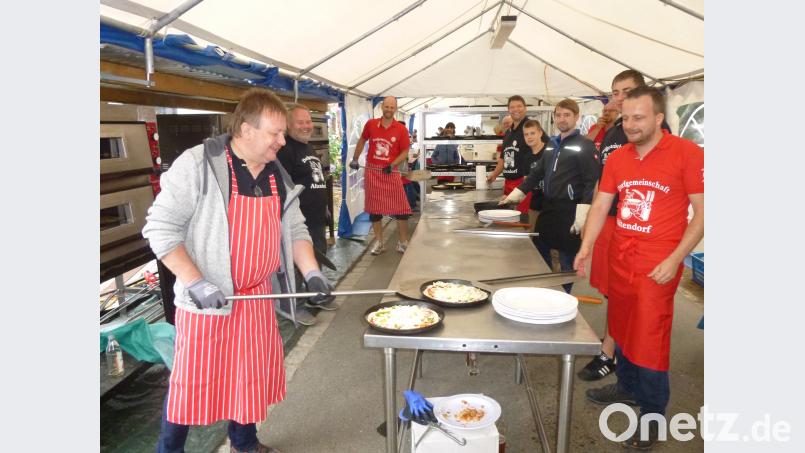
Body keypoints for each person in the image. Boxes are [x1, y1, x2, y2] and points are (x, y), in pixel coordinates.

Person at [143, 88, 335, 453]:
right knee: (191, 384)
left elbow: (294, 229)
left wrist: (312, 272)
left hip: (257, 296)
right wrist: (195, 281)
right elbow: (160, 228)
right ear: (245, 130)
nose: (283, 140)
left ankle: (244, 444)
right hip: (208, 301)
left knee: (249, 376)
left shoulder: (276, 172)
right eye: (274, 133)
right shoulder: (198, 164)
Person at [574, 86, 704, 450]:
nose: (630, 124)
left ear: (659, 118)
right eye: (626, 117)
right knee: (620, 323)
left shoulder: (687, 154)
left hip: (657, 262)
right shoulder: (619, 158)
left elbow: (703, 214)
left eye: (639, 117)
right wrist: (586, 246)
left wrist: (676, 258)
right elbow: (601, 205)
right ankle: (627, 386)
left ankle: (652, 413)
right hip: (621, 256)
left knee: (649, 334)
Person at [578, 70, 674, 382]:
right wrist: (587, 217)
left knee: (640, 309)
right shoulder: (614, 132)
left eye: (626, 91)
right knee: (614, 295)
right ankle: (614, 355)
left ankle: (612, 355)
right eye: (615, 92)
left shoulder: (649, 134)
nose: (619, 98)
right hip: (610, 223)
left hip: (641, 231)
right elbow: (603, 185)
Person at [501, 99, 599, 292]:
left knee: (566, 260)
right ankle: (544, 290)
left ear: (577, 117)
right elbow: (536, 173)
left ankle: (564, 295)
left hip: (571, 212)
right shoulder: (551, 145)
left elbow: (592, 182)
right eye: (559, 115)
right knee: (539, 250)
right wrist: (516, 194)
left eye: (567, 115)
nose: (562, 119)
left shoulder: (585, 145)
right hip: (549, 209)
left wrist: (584, 214)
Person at [277, 104, 336, 319]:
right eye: (300, 122)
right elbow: (284, 188)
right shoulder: (284, 150)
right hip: (298, 221)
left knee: (316, 258)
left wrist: (326, 207)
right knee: (296, 263)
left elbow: (314, 181)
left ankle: (315, 296)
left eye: (308, 122)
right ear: (289, 125)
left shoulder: (308, 148)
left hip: (317, 217)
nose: (306, 126)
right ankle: (294, 306)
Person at [348, 96, 412, 255]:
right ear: (382, 107)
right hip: (373, 172)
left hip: (391, 171)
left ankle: (403, 242)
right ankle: (379, 242)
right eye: (387, 106)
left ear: (395, 109)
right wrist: (355, 159)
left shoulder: (401, 129)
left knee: (401, 210)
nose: (389, 109)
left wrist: (392, 165)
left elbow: (405, 152)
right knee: (375, 210)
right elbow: (362, 140)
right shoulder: (371, 124)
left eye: (392, 107)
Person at [487, 96, 533, 215]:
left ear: (525, 108)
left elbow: (544, 151)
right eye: (512, 107)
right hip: (508, 183)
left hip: (524, 183)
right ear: (508, 110)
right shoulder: (509, 132)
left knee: (521, 219)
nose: (515, 109)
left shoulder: (531, 127)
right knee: (508, 219)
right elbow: (504, 157)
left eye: (519, 106)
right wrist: (494, 175)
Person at [521, 119, 549, 231]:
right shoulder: (526, 158)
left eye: (532, 133)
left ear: (540, 133)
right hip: (534, 207)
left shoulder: (550, 152)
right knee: (532, 240)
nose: (529, 137)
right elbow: (526, 183)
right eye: (526, 134)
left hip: (550, 207)